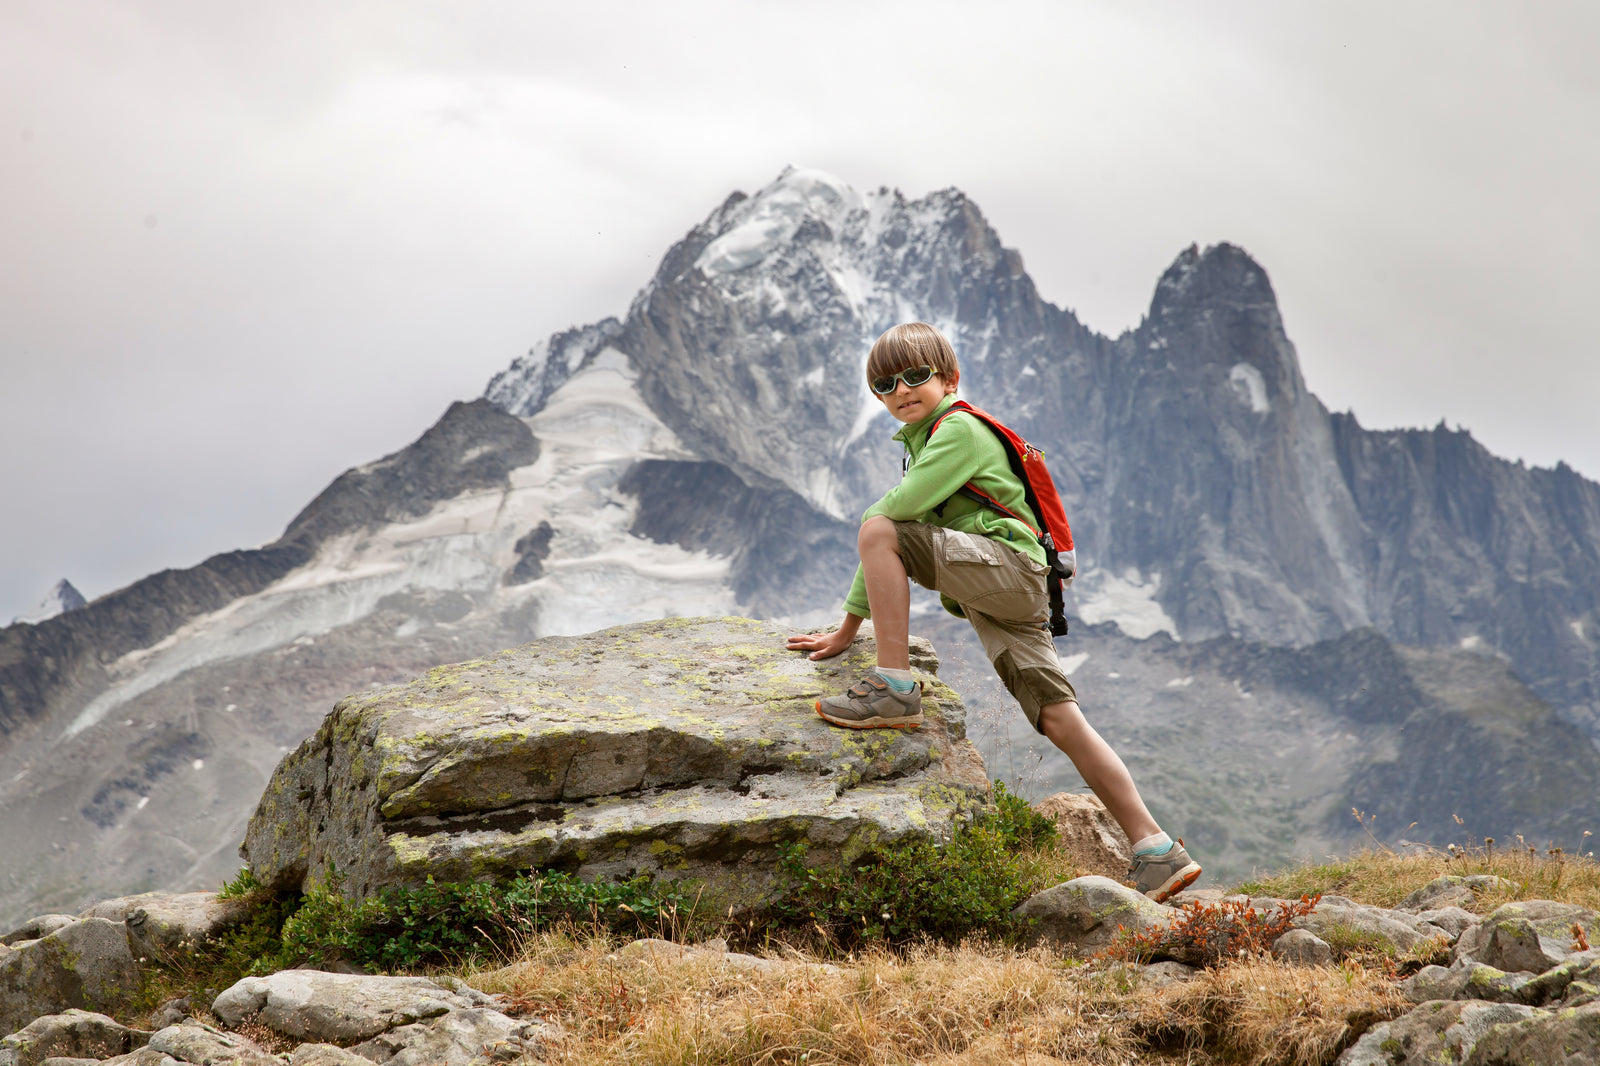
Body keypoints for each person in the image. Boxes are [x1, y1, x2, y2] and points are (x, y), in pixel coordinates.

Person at [786, 321, 1201, 903]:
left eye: (914, 376)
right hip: (1006, 586)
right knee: (1060, 718)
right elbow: (891, 534)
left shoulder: (956, 431)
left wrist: (855, 612)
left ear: (949, 378)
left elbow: (891, 521)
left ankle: (894, 688)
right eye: (885, 384)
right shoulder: (928, 438)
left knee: (880, 527)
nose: (901, 390)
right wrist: (846, 629)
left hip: (1005, 571)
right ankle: (1156, 849)